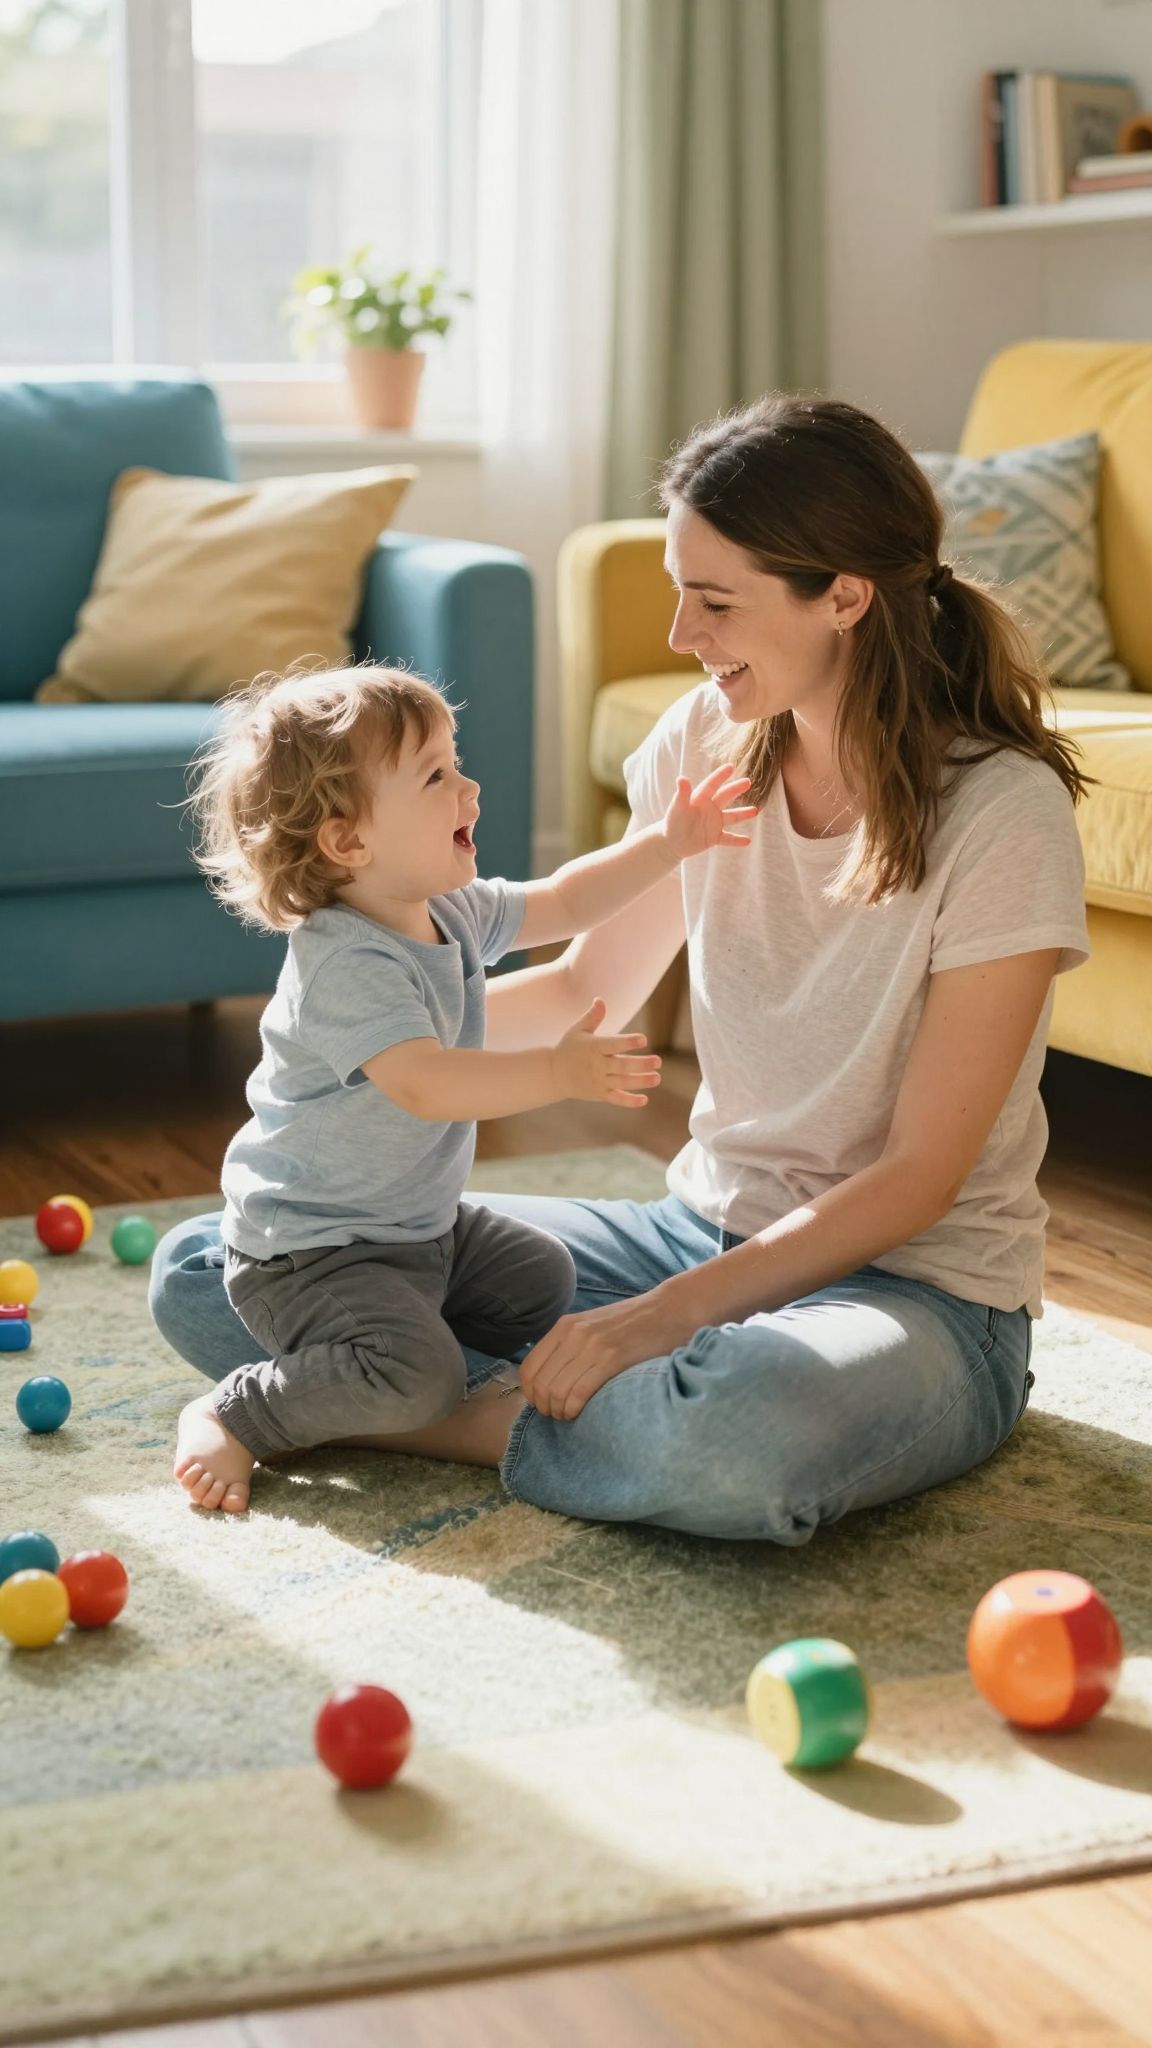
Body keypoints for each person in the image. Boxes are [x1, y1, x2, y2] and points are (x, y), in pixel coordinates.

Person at [152, 392, 1090, 1544]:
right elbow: (573, 996)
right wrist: (361, 1038)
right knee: (219, 1261)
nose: (682, 637)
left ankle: (441, 1411)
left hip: (919, 1294)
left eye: (717, 601)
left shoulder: (1002, 812)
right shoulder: (707, 743)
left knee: (740, 1429)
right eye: (677, 591)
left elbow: (919, 1179)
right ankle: (547, 1410)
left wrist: (658, 1320)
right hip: (703, 1227)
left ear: (845, 595)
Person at [171, 664, 753, 1511]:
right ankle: (240, 1411)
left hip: (413, 1230)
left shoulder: (450, 908)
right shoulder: (344, 961)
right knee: (418, 1379)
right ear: (347, 842)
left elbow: (562, 900)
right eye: (437, 776)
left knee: (540, 1279)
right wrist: (555, 1071)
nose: (470, 789)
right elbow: (424, 1082)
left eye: (457, 762)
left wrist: (668, 843)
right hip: (311, 1253)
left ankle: (403, 1353)